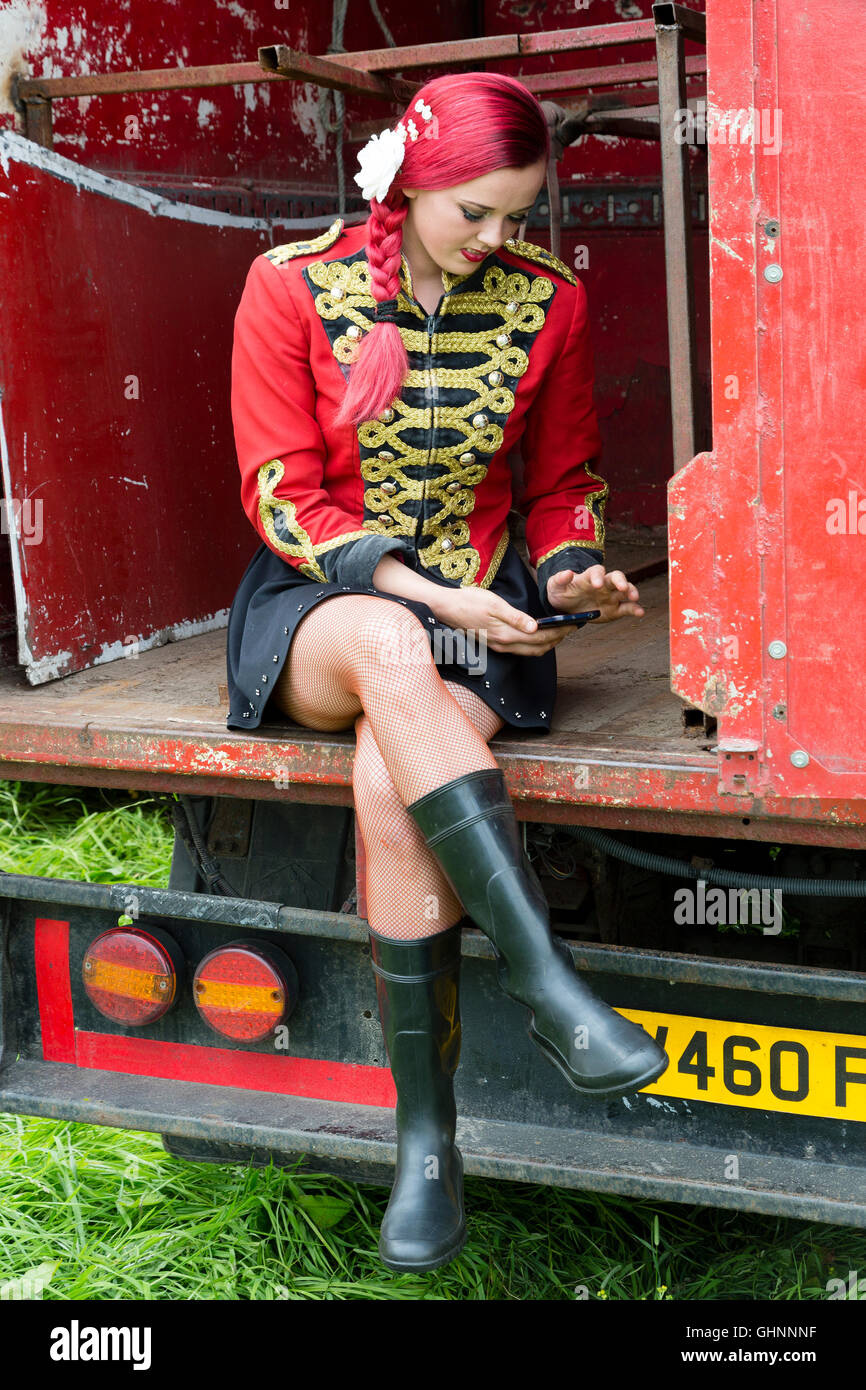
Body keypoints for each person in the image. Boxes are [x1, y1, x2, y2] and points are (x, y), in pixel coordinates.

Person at [225, 70, 669, 1275]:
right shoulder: (287, 287)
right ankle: (546, 980)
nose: (496, 238)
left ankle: (425, 1142)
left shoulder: (551, 302)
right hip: (324, 603)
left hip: (479, 612)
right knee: (385, 640)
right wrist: (425, 594)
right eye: (473, 212)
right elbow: (280, 493)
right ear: (412, 181)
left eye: (516, 216)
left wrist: (569, 574)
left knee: (388, 782)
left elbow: (562, 482)